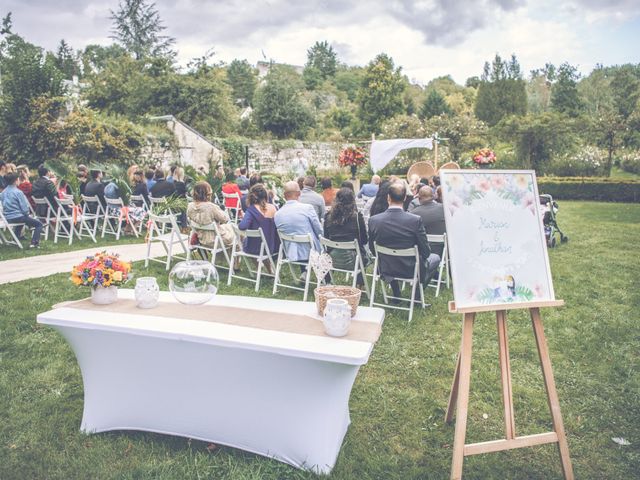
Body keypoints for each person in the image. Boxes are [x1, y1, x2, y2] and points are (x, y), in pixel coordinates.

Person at [368, 182, 440, 301]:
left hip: (386, 267)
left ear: (388, 198)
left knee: (389, 258)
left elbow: (372, 248)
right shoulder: (415, 220)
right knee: (435, 258)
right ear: (405, 198)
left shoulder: (374, 220)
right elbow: (426, 252)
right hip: (411, 269)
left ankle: (396, 293)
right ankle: (416, 296)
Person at [274, 181, 322, 276]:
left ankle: (304, 272)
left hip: (290, 252)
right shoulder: (307, 208)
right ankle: (326, 280)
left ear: (284, 195)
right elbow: (319, 230)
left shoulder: (277, 214)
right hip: (311, 251)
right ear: (299, 193)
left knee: (300, 237)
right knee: (316, 238)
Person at [323, 187, 368, 286]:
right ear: (352, 201)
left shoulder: (328, 217)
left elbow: (326, 238)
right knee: (360, 253)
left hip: (332, 259)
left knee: (357, 253)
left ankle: (327, 282)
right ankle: (359, 284)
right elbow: (364, 240)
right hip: (354, 260)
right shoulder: (357, 217)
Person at [0, 173, 43, 248]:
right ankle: (34, 243)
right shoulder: (18, 192)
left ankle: (15, 239)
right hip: (18, 217)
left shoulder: (3, 193)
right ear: (16, 181)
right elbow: (24, 208)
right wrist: (28, 215)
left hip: (7, 218)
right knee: (38, 224)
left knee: (22, 222)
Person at [238, 183, 280, 261]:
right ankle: (269, 270)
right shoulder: (274, 207)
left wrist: (244, 218)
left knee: (243, 241)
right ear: (265, 195)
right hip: (273, 247)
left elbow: (242, 226)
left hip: (255, 248)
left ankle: (258, 268)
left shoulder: (251, 210)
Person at [187, 181, 234, 248]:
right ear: (207, 193)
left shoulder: (190, 206)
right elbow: (225, 219)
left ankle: (222, 257)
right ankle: (234, 257)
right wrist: (221, 210)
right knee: (236, 232)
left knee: (228, 228)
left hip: (201, 239)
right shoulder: (210, 207)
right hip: (215, 240)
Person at [409, 185, 447, 257]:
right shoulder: (444, 209)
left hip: (424, 252)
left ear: (419, 198)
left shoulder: (413, 214)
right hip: (444, 249)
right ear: (433, 196)